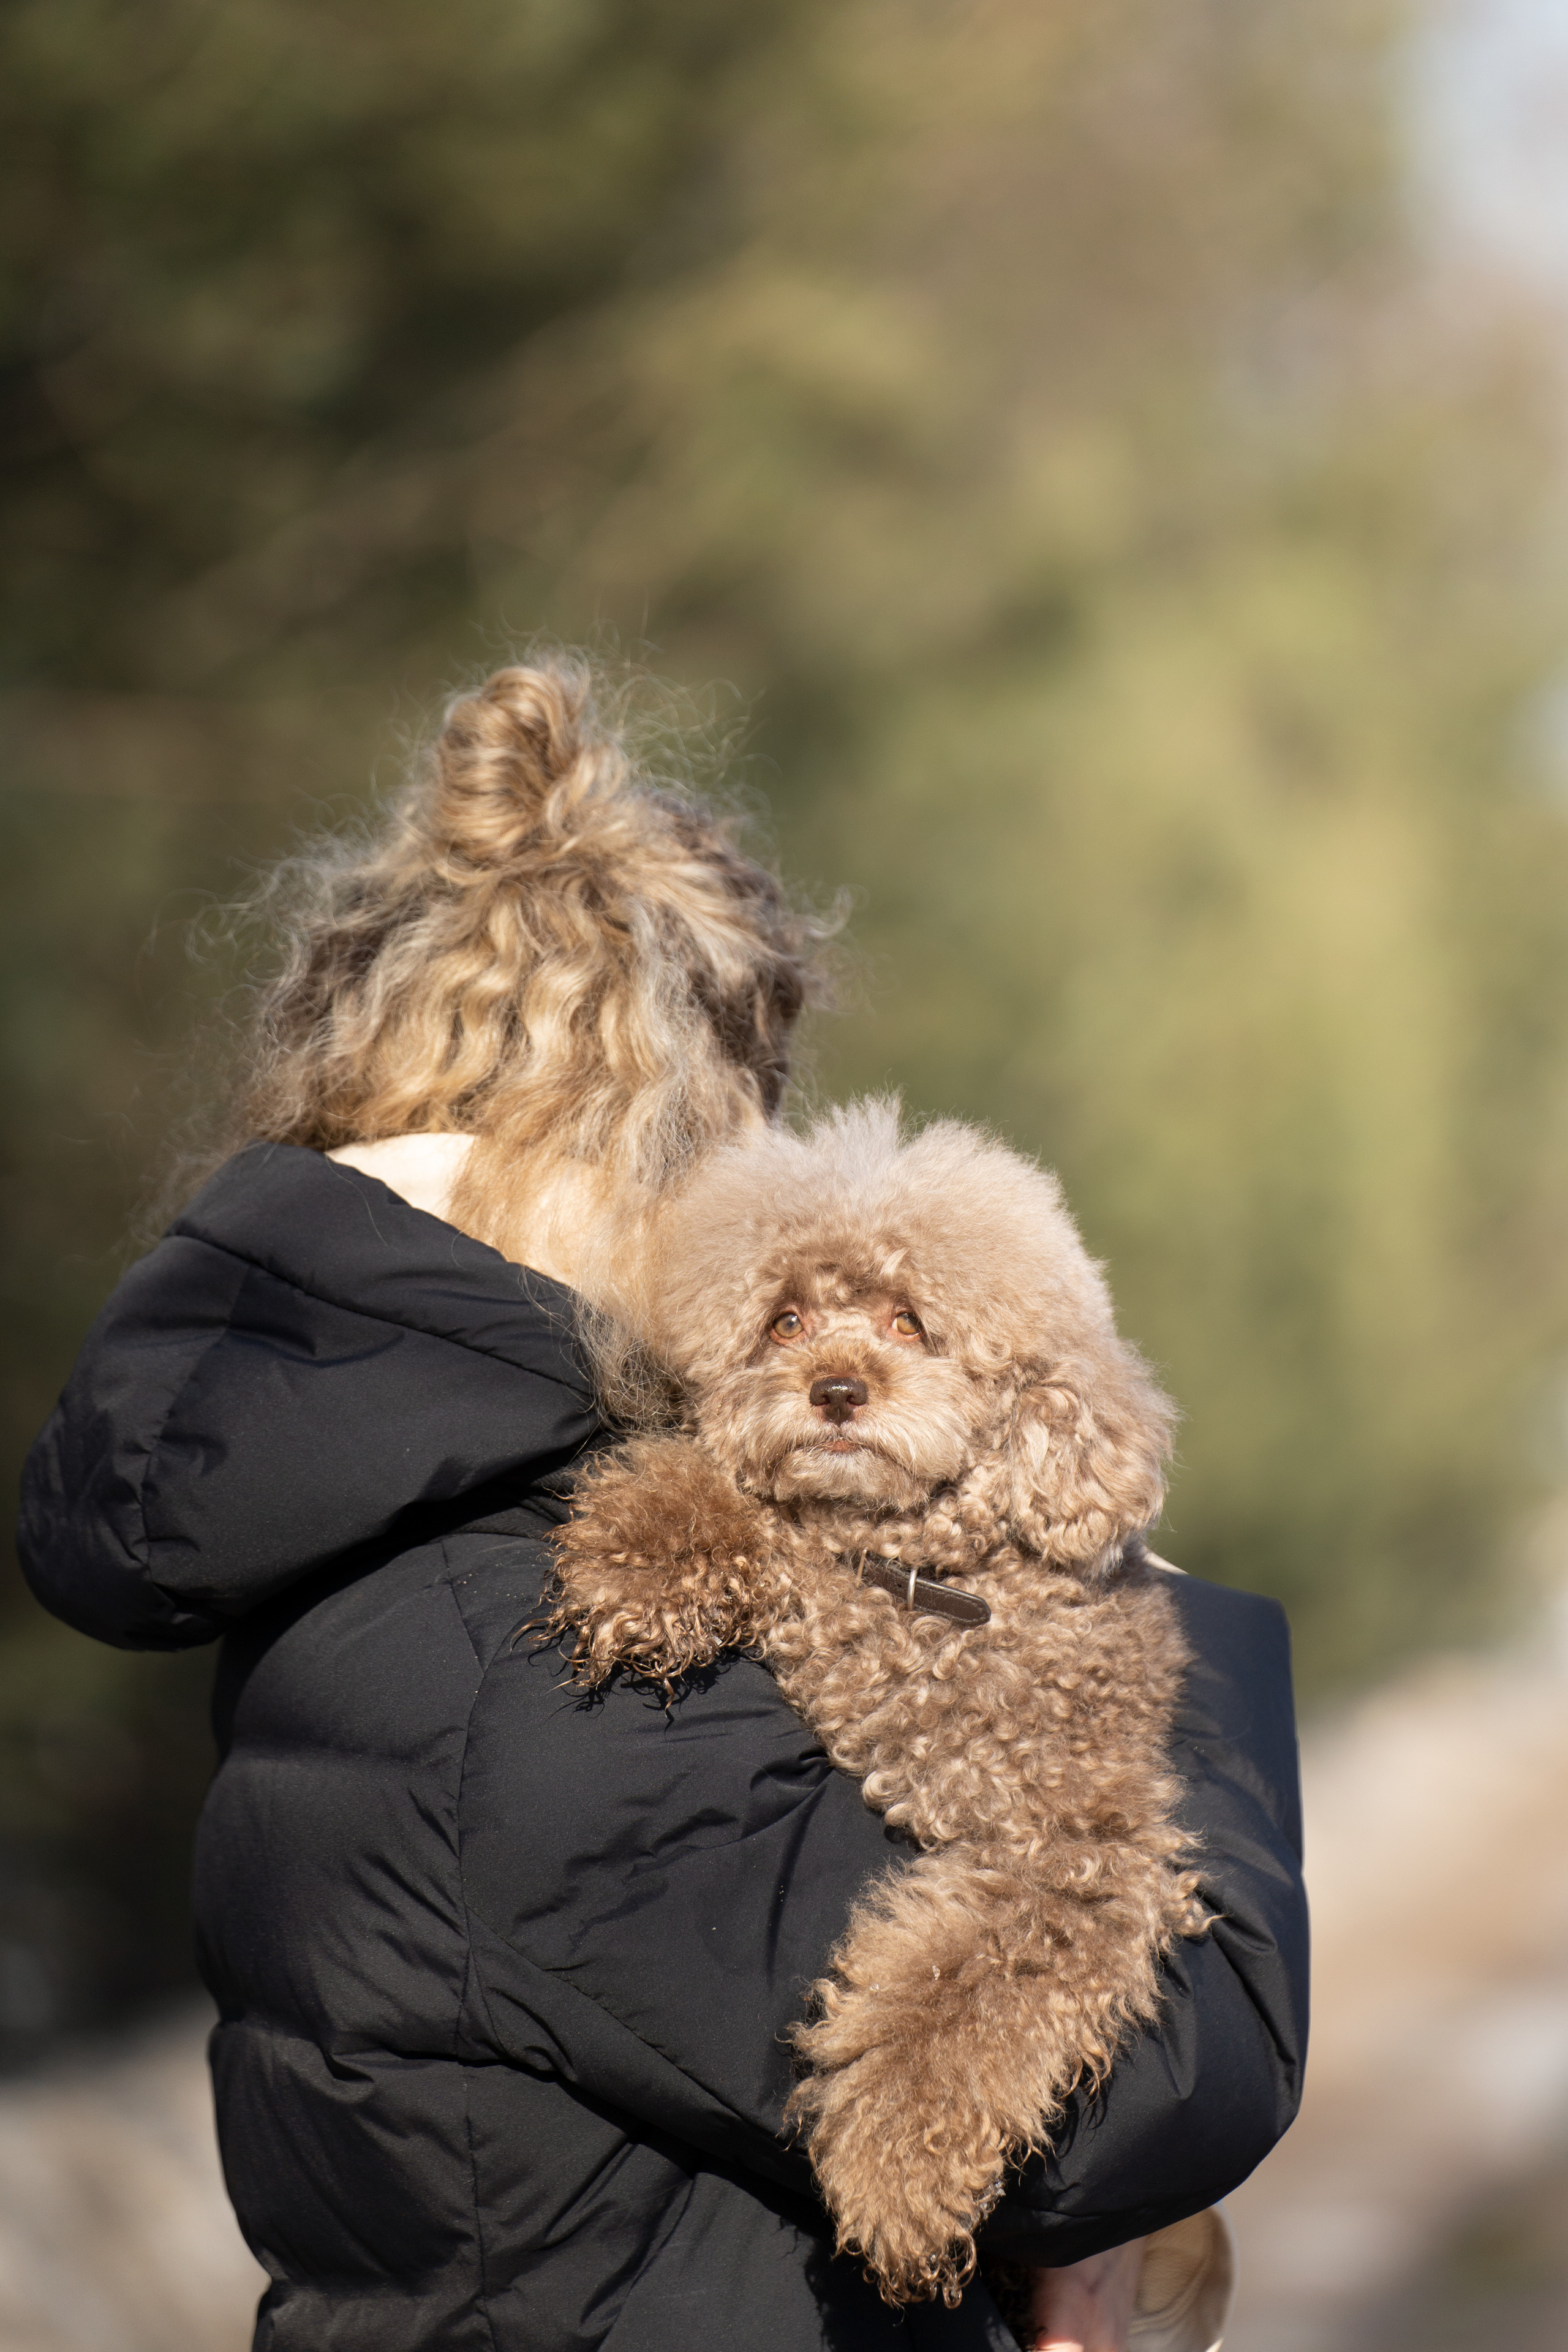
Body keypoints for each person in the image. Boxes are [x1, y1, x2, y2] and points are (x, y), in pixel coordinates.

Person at [17, 660, 1308, 2352]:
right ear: (665, 1156)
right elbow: (1131, 2099)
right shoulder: (541, 1650)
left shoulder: (393, 1539)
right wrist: (1149, 1625)